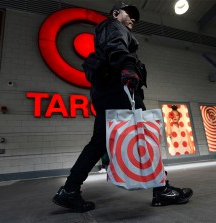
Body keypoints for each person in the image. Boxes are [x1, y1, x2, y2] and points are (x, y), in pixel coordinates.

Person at [52, 3, 193, 213]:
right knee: (144, 134)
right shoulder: (113, 26)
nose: (133, 19)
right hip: (120, 88)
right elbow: (115, 45)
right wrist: (128, 68)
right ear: (116, 13)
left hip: (107, 91)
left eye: (135, 17)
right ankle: (161, 190)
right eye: (130, 14)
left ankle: (69, 190)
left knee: (99, 142)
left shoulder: (110, 29)